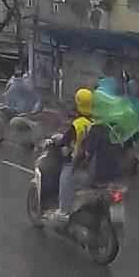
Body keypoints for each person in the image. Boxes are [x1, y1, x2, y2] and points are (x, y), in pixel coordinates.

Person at [46, 88, 94, 220]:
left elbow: (65, 142)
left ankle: (64, 211)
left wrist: (56, 140)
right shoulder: (95, 123)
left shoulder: (78, 124)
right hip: (93, 168)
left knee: (66, 175)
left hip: (80, 166)